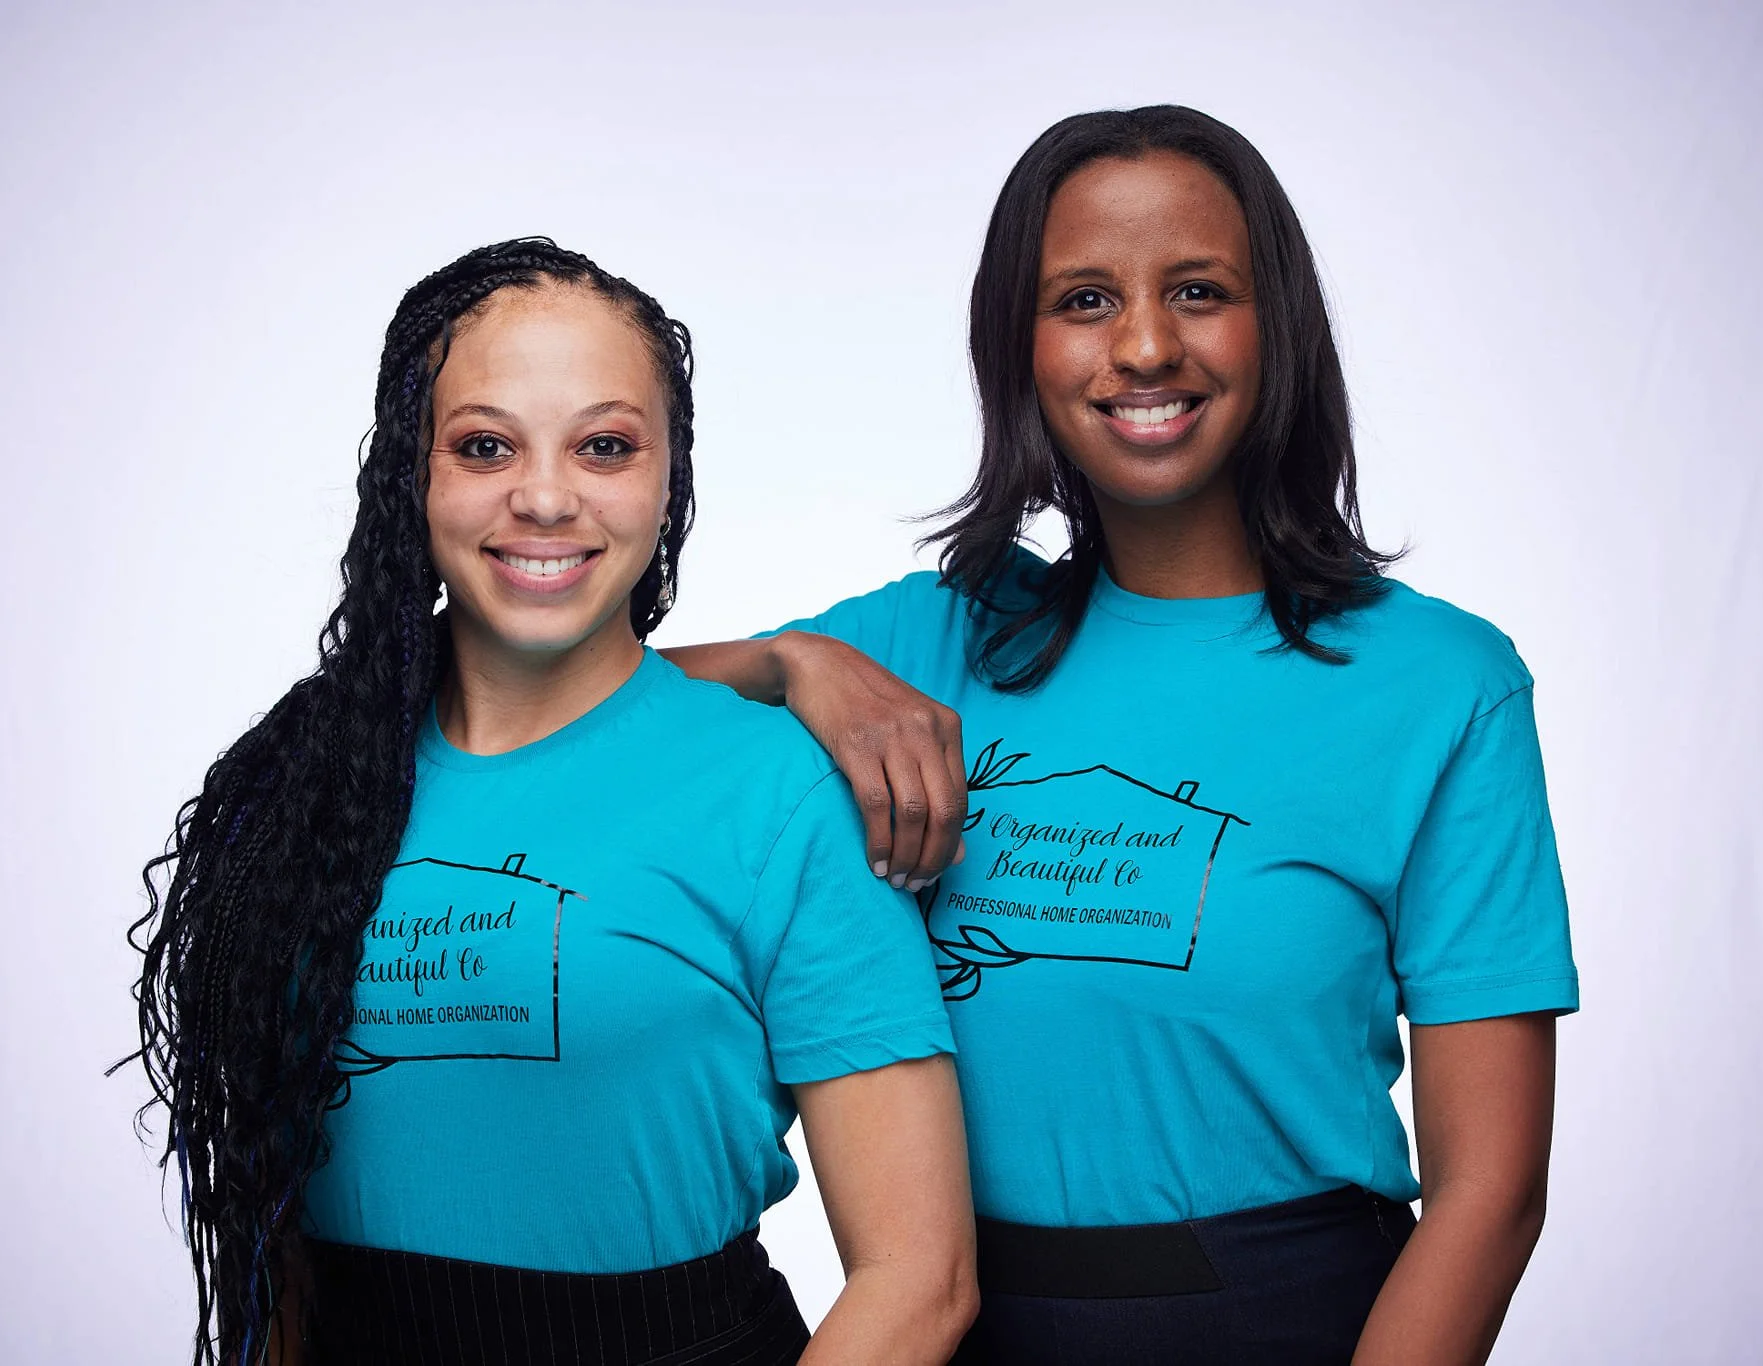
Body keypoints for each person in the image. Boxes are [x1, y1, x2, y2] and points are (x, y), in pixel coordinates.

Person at [666, 106, 1578, 1365]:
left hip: (1292, 1323)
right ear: (1019, 348)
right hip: (953, 1323)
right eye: (1084, 299)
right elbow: (565, 721)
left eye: (1197, 291)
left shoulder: (1437, 684)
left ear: (1279, 329)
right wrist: (788, 663)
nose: (1144, 346)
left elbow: (1490, 1194)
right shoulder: (923, 645)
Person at [124, 238, 976, 1366]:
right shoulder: (306, 792)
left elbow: (919, 1277)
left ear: (667, 476)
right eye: (483, 445)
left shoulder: (776, 793)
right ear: (409, 473)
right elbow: (270, 1237)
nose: (541, 495)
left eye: (604, 446)